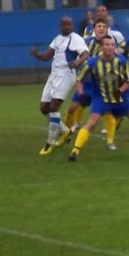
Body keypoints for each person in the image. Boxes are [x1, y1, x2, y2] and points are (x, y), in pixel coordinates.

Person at [67, 34, 129, 161]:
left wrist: (120, 90)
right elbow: (79, 79)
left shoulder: (121, 61)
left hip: (121, 99)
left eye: (112, 45)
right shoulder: (92, 63)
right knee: (92, 123)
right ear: (102, 47)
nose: (110, 47)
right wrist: (81, 93)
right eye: (107, 45)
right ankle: (75, 151)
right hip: (101, 98)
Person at [30, 16, 89, 157]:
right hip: (54, 75)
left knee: (54, 107)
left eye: (69, 24)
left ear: (72, 25)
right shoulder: (57, 39)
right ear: (60, 26)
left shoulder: (76, 39)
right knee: (43, 108)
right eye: (64, 24)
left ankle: (50, 143)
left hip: (66, 75)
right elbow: (46, 56)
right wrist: (36, 54)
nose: (66, 26)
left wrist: (78, 61)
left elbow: (85, 53)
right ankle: (65, 130)